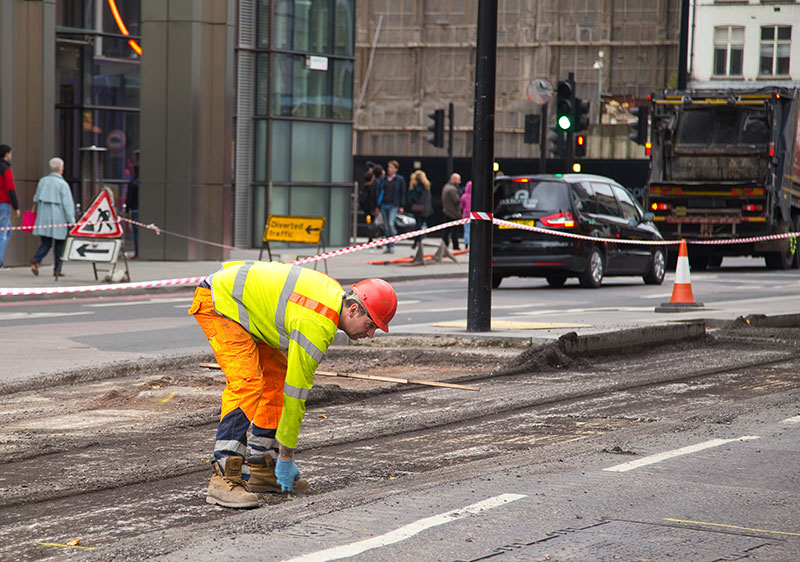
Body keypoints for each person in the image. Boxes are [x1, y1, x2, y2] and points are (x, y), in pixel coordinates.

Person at [189, 261, 397, 508]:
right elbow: (295, 396)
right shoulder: (316, 326)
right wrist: (286, 457)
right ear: (353, 310)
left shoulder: (332, 296)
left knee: (276, 377)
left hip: (246, 308)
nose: (371, 335)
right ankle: (225, 477)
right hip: (220, 303)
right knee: (247, 382)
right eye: (371, 325)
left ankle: (261, 465)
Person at [30, 158, 75, 279]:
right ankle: (57, 269)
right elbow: (68, 204)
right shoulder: (63, 184)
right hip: (58, 217)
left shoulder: (43, 181)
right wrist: (71, 220)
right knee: (59, 244)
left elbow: (36, 198)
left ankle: (36, 259)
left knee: (46, 242)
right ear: (60, 168)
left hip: (43, 216)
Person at [376, 160, 406, 254]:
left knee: (390, 223)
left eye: (391, 167)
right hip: (384, 204)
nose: (389, 169)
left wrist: (401, 205)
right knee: (386, 226)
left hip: (393, 205)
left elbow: (402, 193)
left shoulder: (399, 180)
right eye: (388, 167)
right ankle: (388, 245)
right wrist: (377, 205)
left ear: (396, 169)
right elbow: (379, 191)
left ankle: (392, 241)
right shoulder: (383, 180)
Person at [0, 145, 20, 269]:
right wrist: (16, 207)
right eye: (10, 154)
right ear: (6, 154)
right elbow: (10, 189)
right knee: (4, 232)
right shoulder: (6, 169)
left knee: (7, 230)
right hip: (3, 204)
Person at [407, 169, 433, 250]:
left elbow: (413, 197)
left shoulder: (417, 186)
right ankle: (418, 241)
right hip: (426, 208)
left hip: (418, 209)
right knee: (420, 225)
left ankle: (417, 241)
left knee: (418, 225)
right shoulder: (427, 186)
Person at [441, 172, 462, 250]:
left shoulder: (446, 187)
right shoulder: (452, 189)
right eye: (458, 180)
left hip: (446, 211)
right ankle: (455, 246)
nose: (459, 182)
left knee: (446, 231)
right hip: (453, 213)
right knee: (454, 232)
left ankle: (445, 245)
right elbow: (456, 200)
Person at [125, 165, 140, 258]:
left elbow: (129, 198)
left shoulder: (133, 182)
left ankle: (137, 253)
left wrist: (127, 210)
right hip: (142, 209)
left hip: (135, 209)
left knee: (136, 233)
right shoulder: (143, 183)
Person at [460, 180, 472, 249]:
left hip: (465, 215)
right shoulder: (475, 196)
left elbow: (461, 206)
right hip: (474, 216)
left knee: (466, 230)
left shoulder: (464, 196)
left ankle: (466, 243)